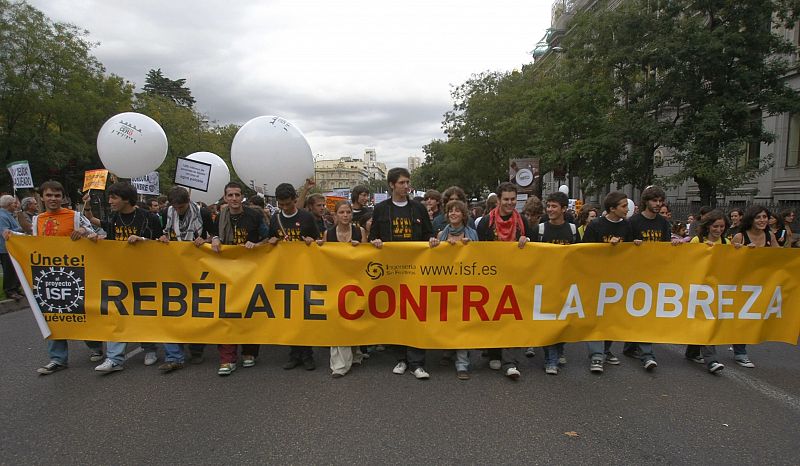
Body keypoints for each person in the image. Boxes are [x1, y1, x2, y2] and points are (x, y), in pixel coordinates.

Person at [6, 181, 102, 375]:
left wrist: (84, 231)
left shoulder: (75, 216)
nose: (53, 199)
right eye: (49, 195)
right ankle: (57, 358)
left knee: (80, 311)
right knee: (52, 315)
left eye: (57, 196)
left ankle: (95, 346)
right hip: (48, 274)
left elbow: (97, 233)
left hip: (75, 272)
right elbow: (32, 241)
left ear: (63, 198)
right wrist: (12, 235)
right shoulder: (38, 220)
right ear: (42, 197)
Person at [87, 182, 162, 372]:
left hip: (145, 274)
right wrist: (98, 241)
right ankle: (114, 359)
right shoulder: (113, 218)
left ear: (127, 199)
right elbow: (110, 241)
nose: (110, 201)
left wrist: (143, 240)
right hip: (118, 275)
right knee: (117, 313)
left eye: (114, 198)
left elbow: (162, 245)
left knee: (143, 313)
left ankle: (149, 349)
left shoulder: (149, 218)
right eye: (110, 197)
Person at [369, 167, 434, 380]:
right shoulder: (380, 209)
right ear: (391, 185)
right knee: (396, 314)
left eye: (407, 182)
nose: (406, 186)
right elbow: (373, 237)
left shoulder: (418, 208)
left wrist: (432, 241)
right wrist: (376, 242)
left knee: (416, 313)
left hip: (416, 270)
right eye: (402, 183)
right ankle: (401, 358)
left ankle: (417, 362)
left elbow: (428, 234)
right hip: (391, 272)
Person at [211, 181, 270, 376]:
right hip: (226, 272)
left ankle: (250, 352)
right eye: (230, 195)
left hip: (252, 272)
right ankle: (227, 358)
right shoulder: (220, 216)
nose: (234, 199)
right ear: (225, 197)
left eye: (237, 195)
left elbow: (271, 238)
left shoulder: (254, 215)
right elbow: (211, 235)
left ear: (242, 197)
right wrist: (214, 239)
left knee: (250, 312)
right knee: (226, 314)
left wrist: (257, 244)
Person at [156, 186, 216, 372]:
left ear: (188, 203)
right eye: (177, 207)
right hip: (174, 269)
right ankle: (174, 355)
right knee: (172, 310)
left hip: (198, 268)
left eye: (182, 207)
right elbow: (160, 234)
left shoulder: (203, 213)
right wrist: (163, 237)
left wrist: (205, 240)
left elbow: (214, 235)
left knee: (197, 309)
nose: (179, 210)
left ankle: (197, 348)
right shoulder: (166, 213)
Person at [476, 182, 530, 381]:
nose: (510, 203)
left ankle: (510, 362)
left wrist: (527, 243)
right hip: (491, 278)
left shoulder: (522, 221)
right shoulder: (485, 223)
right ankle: (493, 352)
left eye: (513, 199)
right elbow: (479, 252)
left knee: (511, 318)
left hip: (515, 278)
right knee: (493, 317)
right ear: (498, 200)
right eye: (506, 199)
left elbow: (534, 251)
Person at [625, 185, 680, 371]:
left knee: (646, 314)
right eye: (654, 201)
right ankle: (645, 353)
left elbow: (664, 248)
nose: (658, 204)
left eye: (660, 201)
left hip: (655, 275)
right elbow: (625, 248)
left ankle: (636, 348)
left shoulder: (664, 224)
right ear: (646, 201)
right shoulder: (633, 222)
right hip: (635, 275)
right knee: (639, 313)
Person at [268, 183, 320, 371]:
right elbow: (269, 240)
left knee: (304, 314)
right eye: (281, 205)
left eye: (288, 204)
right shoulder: (275, 219)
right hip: (284, 273)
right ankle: (294, 353)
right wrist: (271, 240)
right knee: (289, 315)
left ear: (295, 199)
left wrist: (311, 241)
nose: (285, 208)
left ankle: (307, 354)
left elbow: (318, 241)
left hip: (305, 272)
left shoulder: (306, 217)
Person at [582, 191, 633, 373]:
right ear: (612, 208)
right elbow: (584, 252)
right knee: (597, 317)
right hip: (596, 278)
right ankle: (596, 355)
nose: (627, 209)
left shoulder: (627, 226)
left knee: (611, 317)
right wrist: (606, 248)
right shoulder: (595, 226)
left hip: (617, 281)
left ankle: (606, 350)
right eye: (624, 206)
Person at [429, 199, 479, 380]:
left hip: (466, 285)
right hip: (447, 285)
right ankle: (448, 350)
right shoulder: (442, 234)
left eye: (457, 211)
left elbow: (480, 259)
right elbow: (434, 258)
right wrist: (435, 244)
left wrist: (470, 247)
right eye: (450, 211)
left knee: (463, 323)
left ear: (463, 215)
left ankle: (462, 363)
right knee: (448, 321)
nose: (453, 214)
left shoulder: (472, 234)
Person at [318, 200, 367, 378]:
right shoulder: (328, 233)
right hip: (335, 282)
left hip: (355, 282)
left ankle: (355, 354)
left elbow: (367, 257)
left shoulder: (359, 231)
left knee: (354, 318)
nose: (345, 216)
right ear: (335, 215)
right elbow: (323, 258)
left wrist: (360, 247)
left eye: (348, 212)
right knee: (338, 321)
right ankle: (339, 365)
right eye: (342, 213)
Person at [730, 205, 779, 369]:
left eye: (765, 217)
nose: (762, 220)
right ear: (751, 219)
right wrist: (741, 251)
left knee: (750, 318)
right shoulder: (740, 236)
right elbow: (726, 261)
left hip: (760, 285)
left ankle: (738, 346)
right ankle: (740, 352)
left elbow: (779, 258)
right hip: (740, 285)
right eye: (758, 217)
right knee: (741, 317)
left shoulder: (769, 236)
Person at [535, 191, 578, 375]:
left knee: (563, 320)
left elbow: (581, 254)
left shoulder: (573, 230)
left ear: (563, 209)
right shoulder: (540, 229)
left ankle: (559, 350)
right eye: (549, 206)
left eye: (554, 206)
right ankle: (550, 359)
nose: (550, 210)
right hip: (544, 282)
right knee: (548, 321)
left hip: (566, 282)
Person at [685, 209, 728, 374]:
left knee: (706, 321)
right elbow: (687, 260)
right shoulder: (698, 240)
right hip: (698, 288)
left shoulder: (725, 242)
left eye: (722, 227)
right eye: (715, 226)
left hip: (715, 289)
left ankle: (692, 351)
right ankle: (711, 360)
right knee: (706, 322)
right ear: (708, 227)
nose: (718, 230)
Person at [0, 195, 23, 299]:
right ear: (8, 204)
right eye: (14, 203)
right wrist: (21, 229)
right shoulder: (2, 216)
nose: (16, 205)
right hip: (5, 248)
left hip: (13, 247)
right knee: (9, 269)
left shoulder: (9, 215)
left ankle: (16, 288)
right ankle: (9, 290)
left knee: (15, 268)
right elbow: (5, 232)